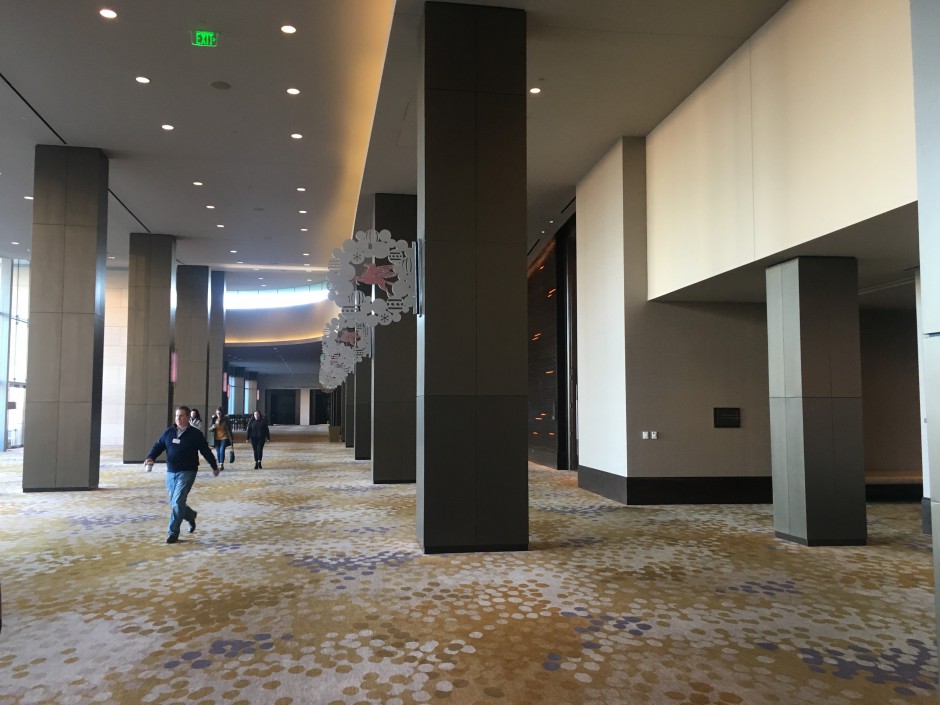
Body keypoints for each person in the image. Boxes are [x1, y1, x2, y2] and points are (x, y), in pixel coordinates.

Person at [144, 405, 219, 544]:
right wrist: (151, 457)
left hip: (187, 471)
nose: (178, 418)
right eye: (177, 415)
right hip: (171, 472)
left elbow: (205, 451)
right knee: (175, 503)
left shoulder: (195, 434)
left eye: (181, 416)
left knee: (178, 501)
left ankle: (173, 533)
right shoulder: (169, 432)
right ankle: (190, 515)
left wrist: (214, 466)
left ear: (188, 417)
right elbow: (158, 445)